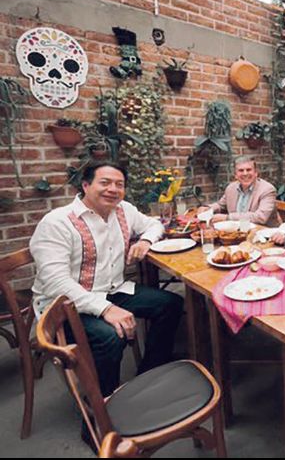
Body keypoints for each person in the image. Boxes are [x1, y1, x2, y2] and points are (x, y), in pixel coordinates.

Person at [29, 162, 183, 396]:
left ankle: (149, 375)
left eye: (119, 184)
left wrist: (145, 241)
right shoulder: (57, 222)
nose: (113, 189)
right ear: (86, 185)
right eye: (105, 182)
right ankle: (100, 413)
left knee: (170, 304)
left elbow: (153, 224)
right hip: (64, 306)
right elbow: (55, 282)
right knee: (111, 337)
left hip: (112, 290)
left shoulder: (124, 210)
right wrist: (105, 309)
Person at [197, 156, 279, 226]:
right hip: (238, 231)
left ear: (256, 173)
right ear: (235, 175)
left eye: (249, 169)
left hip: (264, 234)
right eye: (241, 170)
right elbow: (221, 205)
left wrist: (227, 218)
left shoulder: (267, 190)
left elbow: (260, 217)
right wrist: (208, 208)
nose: (245, 173)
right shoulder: (231, 188)